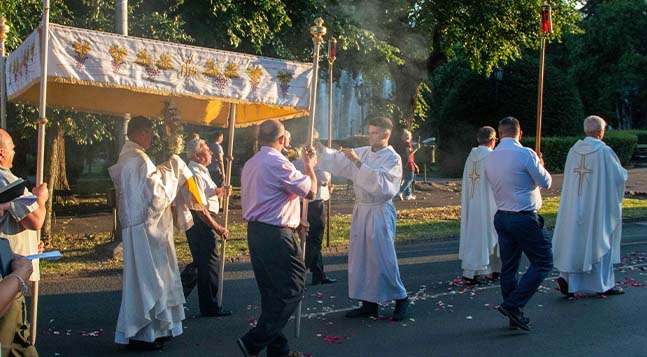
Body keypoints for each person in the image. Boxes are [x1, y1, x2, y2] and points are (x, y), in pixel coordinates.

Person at [109, 116, 192, 350]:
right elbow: (156, 197)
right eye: (149, 133)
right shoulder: (140, 160)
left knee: (142, 282)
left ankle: (155, 330)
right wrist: (172, 170)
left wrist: (161, 171)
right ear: (140, 133)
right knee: (152, 281)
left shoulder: (125, 158)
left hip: (135, 228)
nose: (151, 137)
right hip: (148, 230)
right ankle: (147, 334)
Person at [316, 116, 409, 321]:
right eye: (369, 132)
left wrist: (358, 163)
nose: (370, 136)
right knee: (362, 258)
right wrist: (320, 149)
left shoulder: (392, 158)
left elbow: (384, 186)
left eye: (374, 132)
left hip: (379, 210)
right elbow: (338, 161)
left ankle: (400, 297)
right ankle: (369, 303)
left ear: (386, 133)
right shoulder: (364, 151)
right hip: (362, 210)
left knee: (382, 258)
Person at [237, 119, 316, 357]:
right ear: (282, 139)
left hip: (258, 230)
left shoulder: (252, 163)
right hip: (275, 235)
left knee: (272, 293)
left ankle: (279, 350)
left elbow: (270, 197)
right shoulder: (278, 162)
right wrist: (309, 165)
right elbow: (310, 190)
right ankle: (254, 341)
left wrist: (294, 218)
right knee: (293, 287)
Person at [483, 116, 553, 332]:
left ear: (500, 133)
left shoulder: (490, 158)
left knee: (509, 266)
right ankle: (513, 304)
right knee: (543, 261)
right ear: (520, 133)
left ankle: (515, 314)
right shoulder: (526, 154)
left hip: (502, 215)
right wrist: (540, 164)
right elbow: (546, 183)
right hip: (523, 216)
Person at [552, 115, 628, 297]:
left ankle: (569, 280)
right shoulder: (604, 152)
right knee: (598, 239)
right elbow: (619, 178)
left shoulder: (574, 150)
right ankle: (602, 284)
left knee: (574, 241)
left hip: (574, 204)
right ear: (600, 131)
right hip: (597, 207)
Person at [0, 128, 48, 357]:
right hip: (9, 272)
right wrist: (41, 199)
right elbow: (35, 219)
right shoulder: (6, 181)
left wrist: (30, 244)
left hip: (13, 261)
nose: (15, 151)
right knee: (12, 340)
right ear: (2, 152)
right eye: (12, 147)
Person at [178, 139, 232, 317]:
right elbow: (199, 207)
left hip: (204, 218)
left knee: (201, 263)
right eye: (208, 150)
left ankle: (177, 297)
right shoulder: (193, 172)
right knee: (209, 264)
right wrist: (217, 227)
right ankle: (209, 306)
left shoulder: (201, 171)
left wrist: (221, 191)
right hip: (201, 221)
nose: (211, 153)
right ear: (197, 155)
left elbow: (206, 193)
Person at [459, 126, 501, 285]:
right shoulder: (493, 157)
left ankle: (484, 269)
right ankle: (484, 270)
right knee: (489, 234)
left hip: (473, 203)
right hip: (489, 202)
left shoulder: (471, 157)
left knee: (476, 235)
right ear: (492, 140)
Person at [294, 131, 336, 286]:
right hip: (314, 203)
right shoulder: (313, 160)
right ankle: (300, 274)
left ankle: (319, 273)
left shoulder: (297, 160)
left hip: (304, 202)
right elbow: (324, 178)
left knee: (312, 240)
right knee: (314, 241)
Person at [396, 129, 419, 200]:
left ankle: (408, 194)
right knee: (409, 178)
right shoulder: (407, 144)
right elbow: (408, 155)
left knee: (407, 178)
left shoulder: (402, 144)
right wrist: (416, 149)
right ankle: (400, 191)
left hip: (403, 163)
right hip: (408, 164)